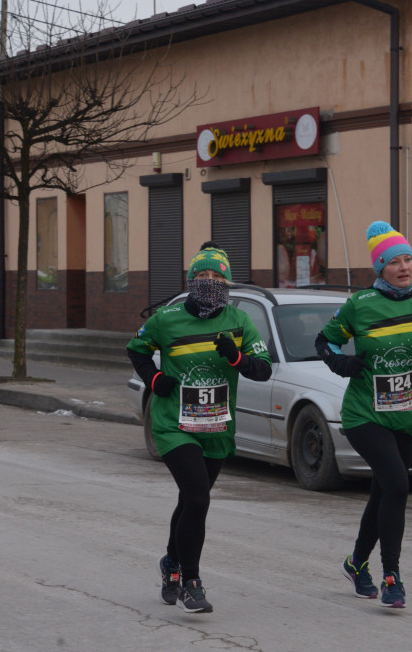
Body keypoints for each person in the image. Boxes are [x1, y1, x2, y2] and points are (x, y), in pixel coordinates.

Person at [316, 221, 412, 609]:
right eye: (394, 261)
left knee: (382, 492)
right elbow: (324, 341)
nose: (404, 267)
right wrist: (342, 364)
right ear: (380, 268)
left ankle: (355, 563)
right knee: (397, 486)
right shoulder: (360, 305)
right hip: (365, 414)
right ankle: (392, 576)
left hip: (408, 416)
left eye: (408, 258)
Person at [127, 243, 272, 614]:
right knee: (198, 498)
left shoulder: (239, 322)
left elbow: (263, 368)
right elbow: (137, 348)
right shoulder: (168, 318)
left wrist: (236, 356)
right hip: (173, 423)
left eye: (217, 276)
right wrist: (154, 377)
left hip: (216, 425)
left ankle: (171, 563)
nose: (210, 282)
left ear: (228, 282)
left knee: (190, 500)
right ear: (191, 280)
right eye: (202, 276)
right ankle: (191, 582)